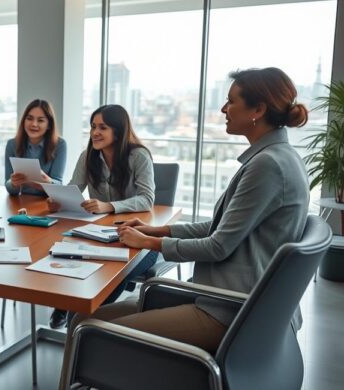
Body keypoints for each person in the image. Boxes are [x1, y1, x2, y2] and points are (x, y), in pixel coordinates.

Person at [67, 67, 310, 355]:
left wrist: (149, 243)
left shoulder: (268, 166)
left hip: (227, 309)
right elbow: (219, 227)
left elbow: (218, 246)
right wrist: (155, 229)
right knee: (82, 318)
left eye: (231, 101)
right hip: (230, 296)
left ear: (258, 109)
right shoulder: (279, 158)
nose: (223, 108)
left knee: (84, 327)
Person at [47, 104, 155, 329]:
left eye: (102, 127)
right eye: (93, 126)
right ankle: (69, 306)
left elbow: (147, 199)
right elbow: (74, 188)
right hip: (96, 233)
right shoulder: (88, 156)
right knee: (65, 252)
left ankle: (85, 321)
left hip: (137, 237)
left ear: (118, 130)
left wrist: (109, 206)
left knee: (111, 271)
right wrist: (59, 199)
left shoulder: (139, 156)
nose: (95, 132)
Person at [4, 98, 67, 196]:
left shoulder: (60, 145)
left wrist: (48, 181)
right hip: (21, 203)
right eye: (29, 118)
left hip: (47, 203)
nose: (34, 124)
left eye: (40, 120)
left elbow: (59, 185)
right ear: (24, 121)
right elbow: (8, 186)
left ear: (49, 125)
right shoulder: (12, 144)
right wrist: (13, 184)